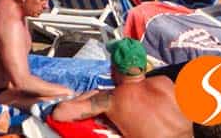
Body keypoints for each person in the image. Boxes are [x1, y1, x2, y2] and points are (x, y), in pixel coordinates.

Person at [52, 38, 191, 138]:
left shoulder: (110, 98)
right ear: (145, 66)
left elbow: (61, 113)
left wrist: (91, 94)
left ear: (112, 70)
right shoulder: (167, 82)